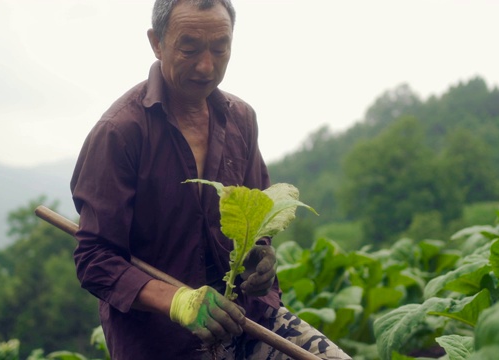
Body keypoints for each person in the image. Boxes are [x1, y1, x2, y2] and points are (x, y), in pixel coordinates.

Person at [70, 0, 351, 359]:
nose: (207, 66)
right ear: (157, 43)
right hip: (165, 342)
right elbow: (95, 259)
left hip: (250, 319)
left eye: (220, 49)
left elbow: (258, 217)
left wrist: (259, 256)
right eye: (189, 48)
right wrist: (177, 301)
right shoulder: (120, 133)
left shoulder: (241, 119)